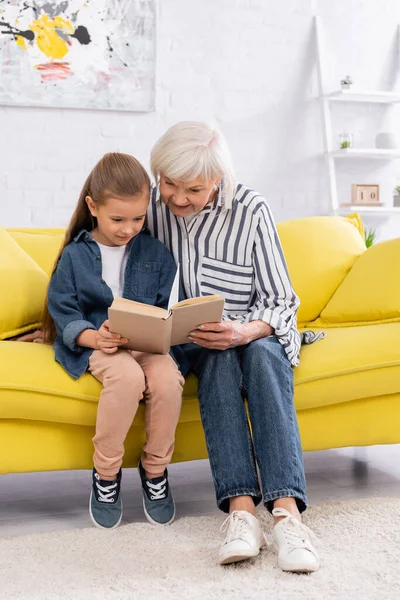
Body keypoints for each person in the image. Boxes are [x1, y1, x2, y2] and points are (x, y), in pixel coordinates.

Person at [147, 122, 322, 572]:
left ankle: (287, 516)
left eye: (193, 189)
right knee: (218, 359)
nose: (178, 199)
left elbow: (282, 302)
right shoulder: (149, 206)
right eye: (169, 184)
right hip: (194, 343)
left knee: (261, 355)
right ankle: (242, 513)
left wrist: (243, 331)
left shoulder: (250, 210)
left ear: (218, 182)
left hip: (252, 334)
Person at [42, 152, 184, 530]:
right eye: (117, 219)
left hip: (147, 345)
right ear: (93, 206)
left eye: (138, 218)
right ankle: (106, 475)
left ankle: (155, 471)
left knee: (168, 380)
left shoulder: (154, 251)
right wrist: (93, 337)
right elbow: (63, 311)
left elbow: (167, 305)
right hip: (98, 345)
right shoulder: (75, 256)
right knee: (127, 378)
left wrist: (169, 327)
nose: (128, 229)